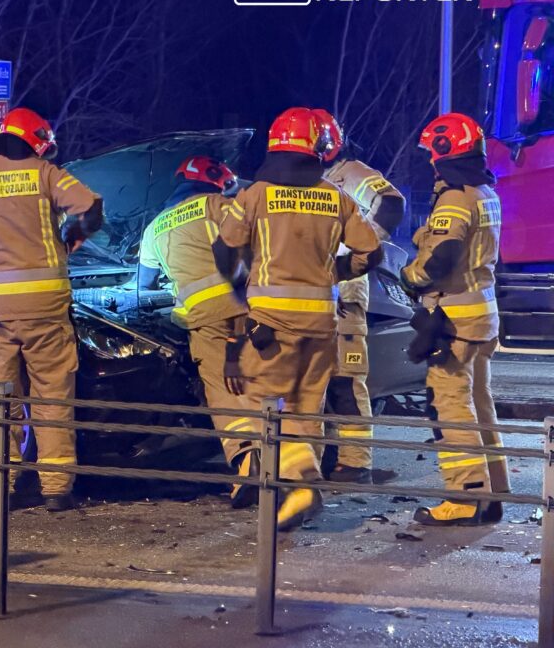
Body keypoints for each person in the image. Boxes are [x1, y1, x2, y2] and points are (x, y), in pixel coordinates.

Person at [213, 107, 382, 530]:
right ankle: (292, 499)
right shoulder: (336, 196)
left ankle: (303, 482)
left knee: (263, 401)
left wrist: (241, 287)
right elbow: (371, 252)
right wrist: (335, 272)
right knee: (306, 409)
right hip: (323, 322)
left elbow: (224, 248)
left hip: (271, 322)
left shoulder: (256, 195)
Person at [0, 107, 103, 512]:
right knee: (52, 396)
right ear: (37, 141)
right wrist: (73, 236)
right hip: (46, 307)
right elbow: (91, 207)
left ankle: (1, 487)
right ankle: (56, 489)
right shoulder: (45, 174)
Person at [400, 112, 508, 526]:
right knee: (479, 403)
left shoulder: (455, 198)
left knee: (450, 406)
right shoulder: (484, 191)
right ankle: (492, 493)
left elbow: (442, 256)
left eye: (432, 151)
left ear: (444, 150)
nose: (430, 160)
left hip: (455, 319)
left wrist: (410, 276)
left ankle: (465, 496)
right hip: (482, 314)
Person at [136, 157, 253, 506]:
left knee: (225, 394)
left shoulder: (154, 227)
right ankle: (289, 466)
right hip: (249, 307)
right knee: (262, 386)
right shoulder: (219, 205)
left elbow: (143, 285)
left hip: (205, 320)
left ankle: (249, 465)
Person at [315, 108, 407, 484]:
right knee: (317, 385)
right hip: (318, 296)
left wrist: (358, 245)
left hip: (345, 296)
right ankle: (324, 458)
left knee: (346, 384)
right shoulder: (318, 180)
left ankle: (354, 463)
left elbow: (392, 204)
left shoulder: (352, 172)